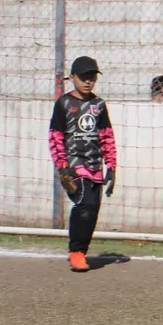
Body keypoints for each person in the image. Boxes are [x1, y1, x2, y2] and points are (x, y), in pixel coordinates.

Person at [49, 56, 118, 272]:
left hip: (95, 166)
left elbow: (106, 136)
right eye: (84, 77)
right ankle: (76, 252)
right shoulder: (64, 104)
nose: (88, 82)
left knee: (93, 209)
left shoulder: (98, 105)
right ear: (73, 78)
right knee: (85, 206)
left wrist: (112, 166)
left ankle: (81, 251)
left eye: (92, 78)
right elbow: (55, 137)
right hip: (73, 166)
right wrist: (61, 168)